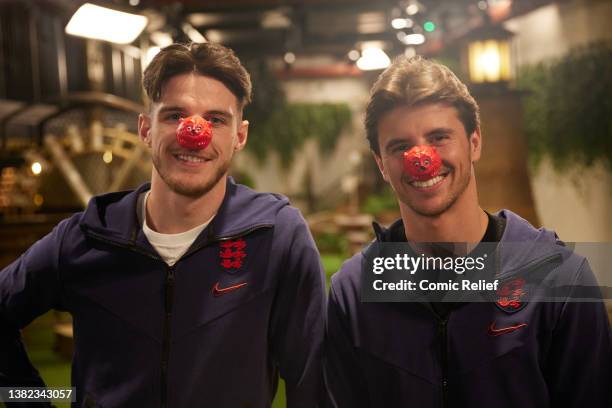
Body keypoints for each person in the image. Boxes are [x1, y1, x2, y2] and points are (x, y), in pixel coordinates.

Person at [0, 42, 326, 407]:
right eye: (174, 115)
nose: (194, 132)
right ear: (145, 129)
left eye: (216, 120)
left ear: (240, 136)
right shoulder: (85, 238)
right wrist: (27, 400)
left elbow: (311, 377)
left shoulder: (276, 236)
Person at [323, 56, 611, 407]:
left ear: (474, 143)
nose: (421, 157)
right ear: (381, 164)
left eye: (439, 137)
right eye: (400, 147)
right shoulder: (352, 293)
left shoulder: (560, 281)